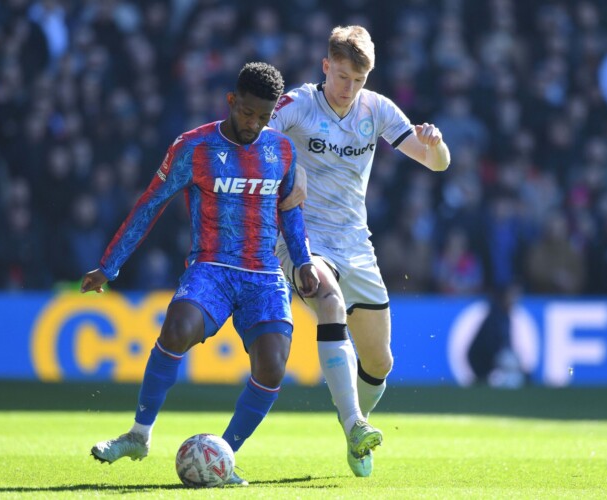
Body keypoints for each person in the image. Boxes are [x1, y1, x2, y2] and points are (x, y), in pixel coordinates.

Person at [80, 62, 320, 486]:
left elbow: (290, 212)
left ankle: (223, 458)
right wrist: (110, 265)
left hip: (264, 276)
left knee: (272, 367)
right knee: (176, 329)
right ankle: (139, 435)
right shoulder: (194, 147)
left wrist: (302, 262)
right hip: (211, 267)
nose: (254, 123)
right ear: (231, 100)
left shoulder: (281, 149)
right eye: (247, 112)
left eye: (264, 117)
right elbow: (151, 203)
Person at [272, 25, 451, 476]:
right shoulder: (296, 106)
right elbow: (252, 138)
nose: (349, 88)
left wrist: (436, 145)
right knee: (329, 303)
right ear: (326, 65)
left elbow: (437, 164)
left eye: (359, 80)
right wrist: (283, 177)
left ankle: (356, 428)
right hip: (303, 237)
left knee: (380, 361)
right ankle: (354, 424)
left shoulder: (377, 109)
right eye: (342, 76)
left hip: (356, 243)